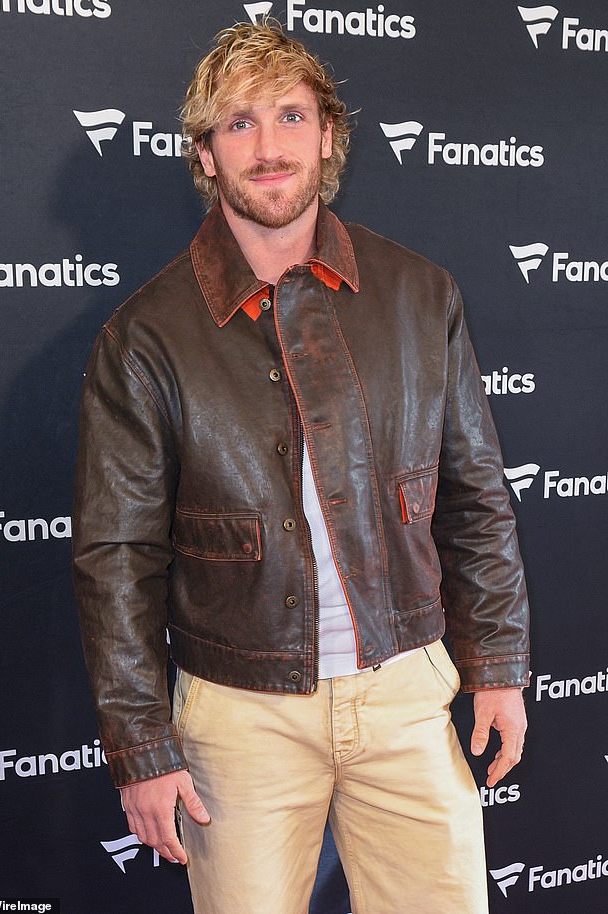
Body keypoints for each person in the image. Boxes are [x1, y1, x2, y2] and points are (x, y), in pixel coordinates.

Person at [73, 20, 529, 914]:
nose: (270, 147)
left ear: (328, 137)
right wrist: (140, 744)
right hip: (238, 715)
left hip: (406, 692)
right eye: (239, 123)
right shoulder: (145, 336)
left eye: (291, 116)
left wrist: (499, 662)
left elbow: (475, 498)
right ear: (205, 153)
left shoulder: (420, 294)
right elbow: (117, 557)